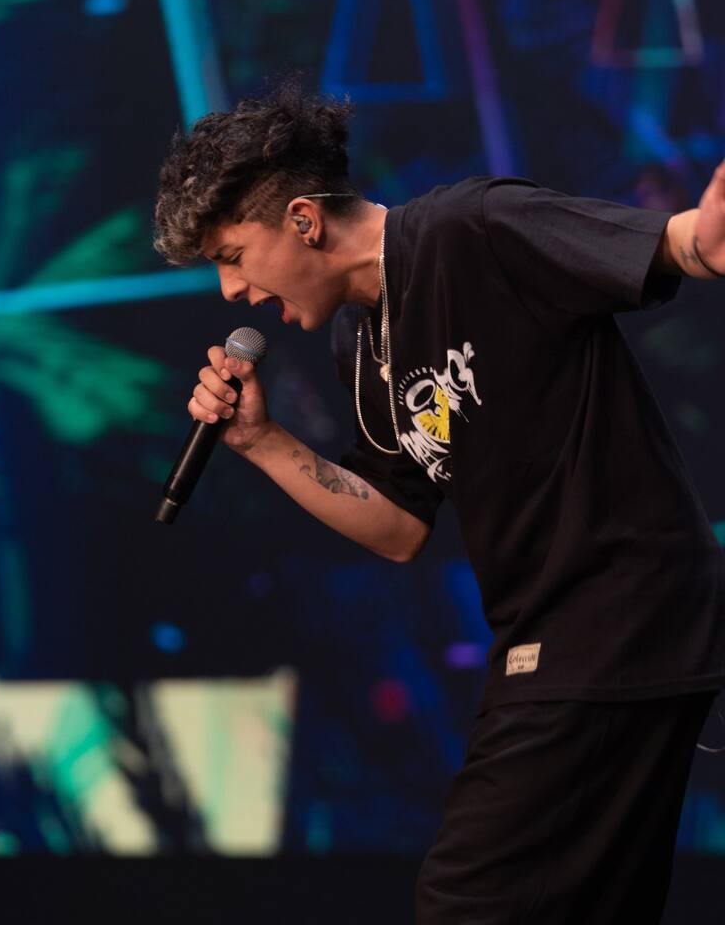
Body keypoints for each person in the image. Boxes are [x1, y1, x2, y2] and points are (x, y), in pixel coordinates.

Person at [153, 79, 725, 924]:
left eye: (233, 256)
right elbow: (397, 527)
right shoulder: (359, 339)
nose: (231, 291)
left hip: (615, 618)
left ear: (303, 221)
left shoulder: (471, 230)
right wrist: (262, 442)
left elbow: (676, 244)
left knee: (470, 901)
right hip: (550, 637)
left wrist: (704, 238)